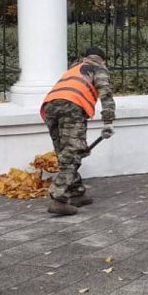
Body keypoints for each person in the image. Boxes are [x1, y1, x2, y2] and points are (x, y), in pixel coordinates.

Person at [40, 46, 115, 216]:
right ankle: (58, 198)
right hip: (72, 106)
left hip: (50, 107)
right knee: (73, 152)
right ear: (103, 60)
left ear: (85, 57)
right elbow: (106, 95)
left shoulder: (73, 69)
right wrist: (108, 122)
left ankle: (76, 193)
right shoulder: (99, 68)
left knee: (63, 152)